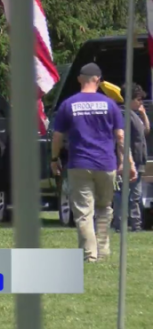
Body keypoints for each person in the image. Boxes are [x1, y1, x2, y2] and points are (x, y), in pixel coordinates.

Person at [51, 63, 135, 262]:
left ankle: (90, 254)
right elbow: (121, 137)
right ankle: (103, 251)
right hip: (106, 164)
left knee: (83, 212)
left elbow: (57, 136)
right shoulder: (110, 105)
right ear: (98, 80)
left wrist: (54, 158)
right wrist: (128, 162)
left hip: (79, 163)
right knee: (105, 208)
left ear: (80, 79)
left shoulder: (68, 104)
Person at [112, 83, 149, 232]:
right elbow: (122, 139)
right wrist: (125, 161)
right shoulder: (124, 114)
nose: (140, 102)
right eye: (138, 99)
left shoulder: (135, 115)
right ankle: (121, 223)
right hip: (129, 161)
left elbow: (145, 131)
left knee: (135, 195)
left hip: (139, 161)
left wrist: (143, 113)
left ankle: (136, 224)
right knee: (124, 194)